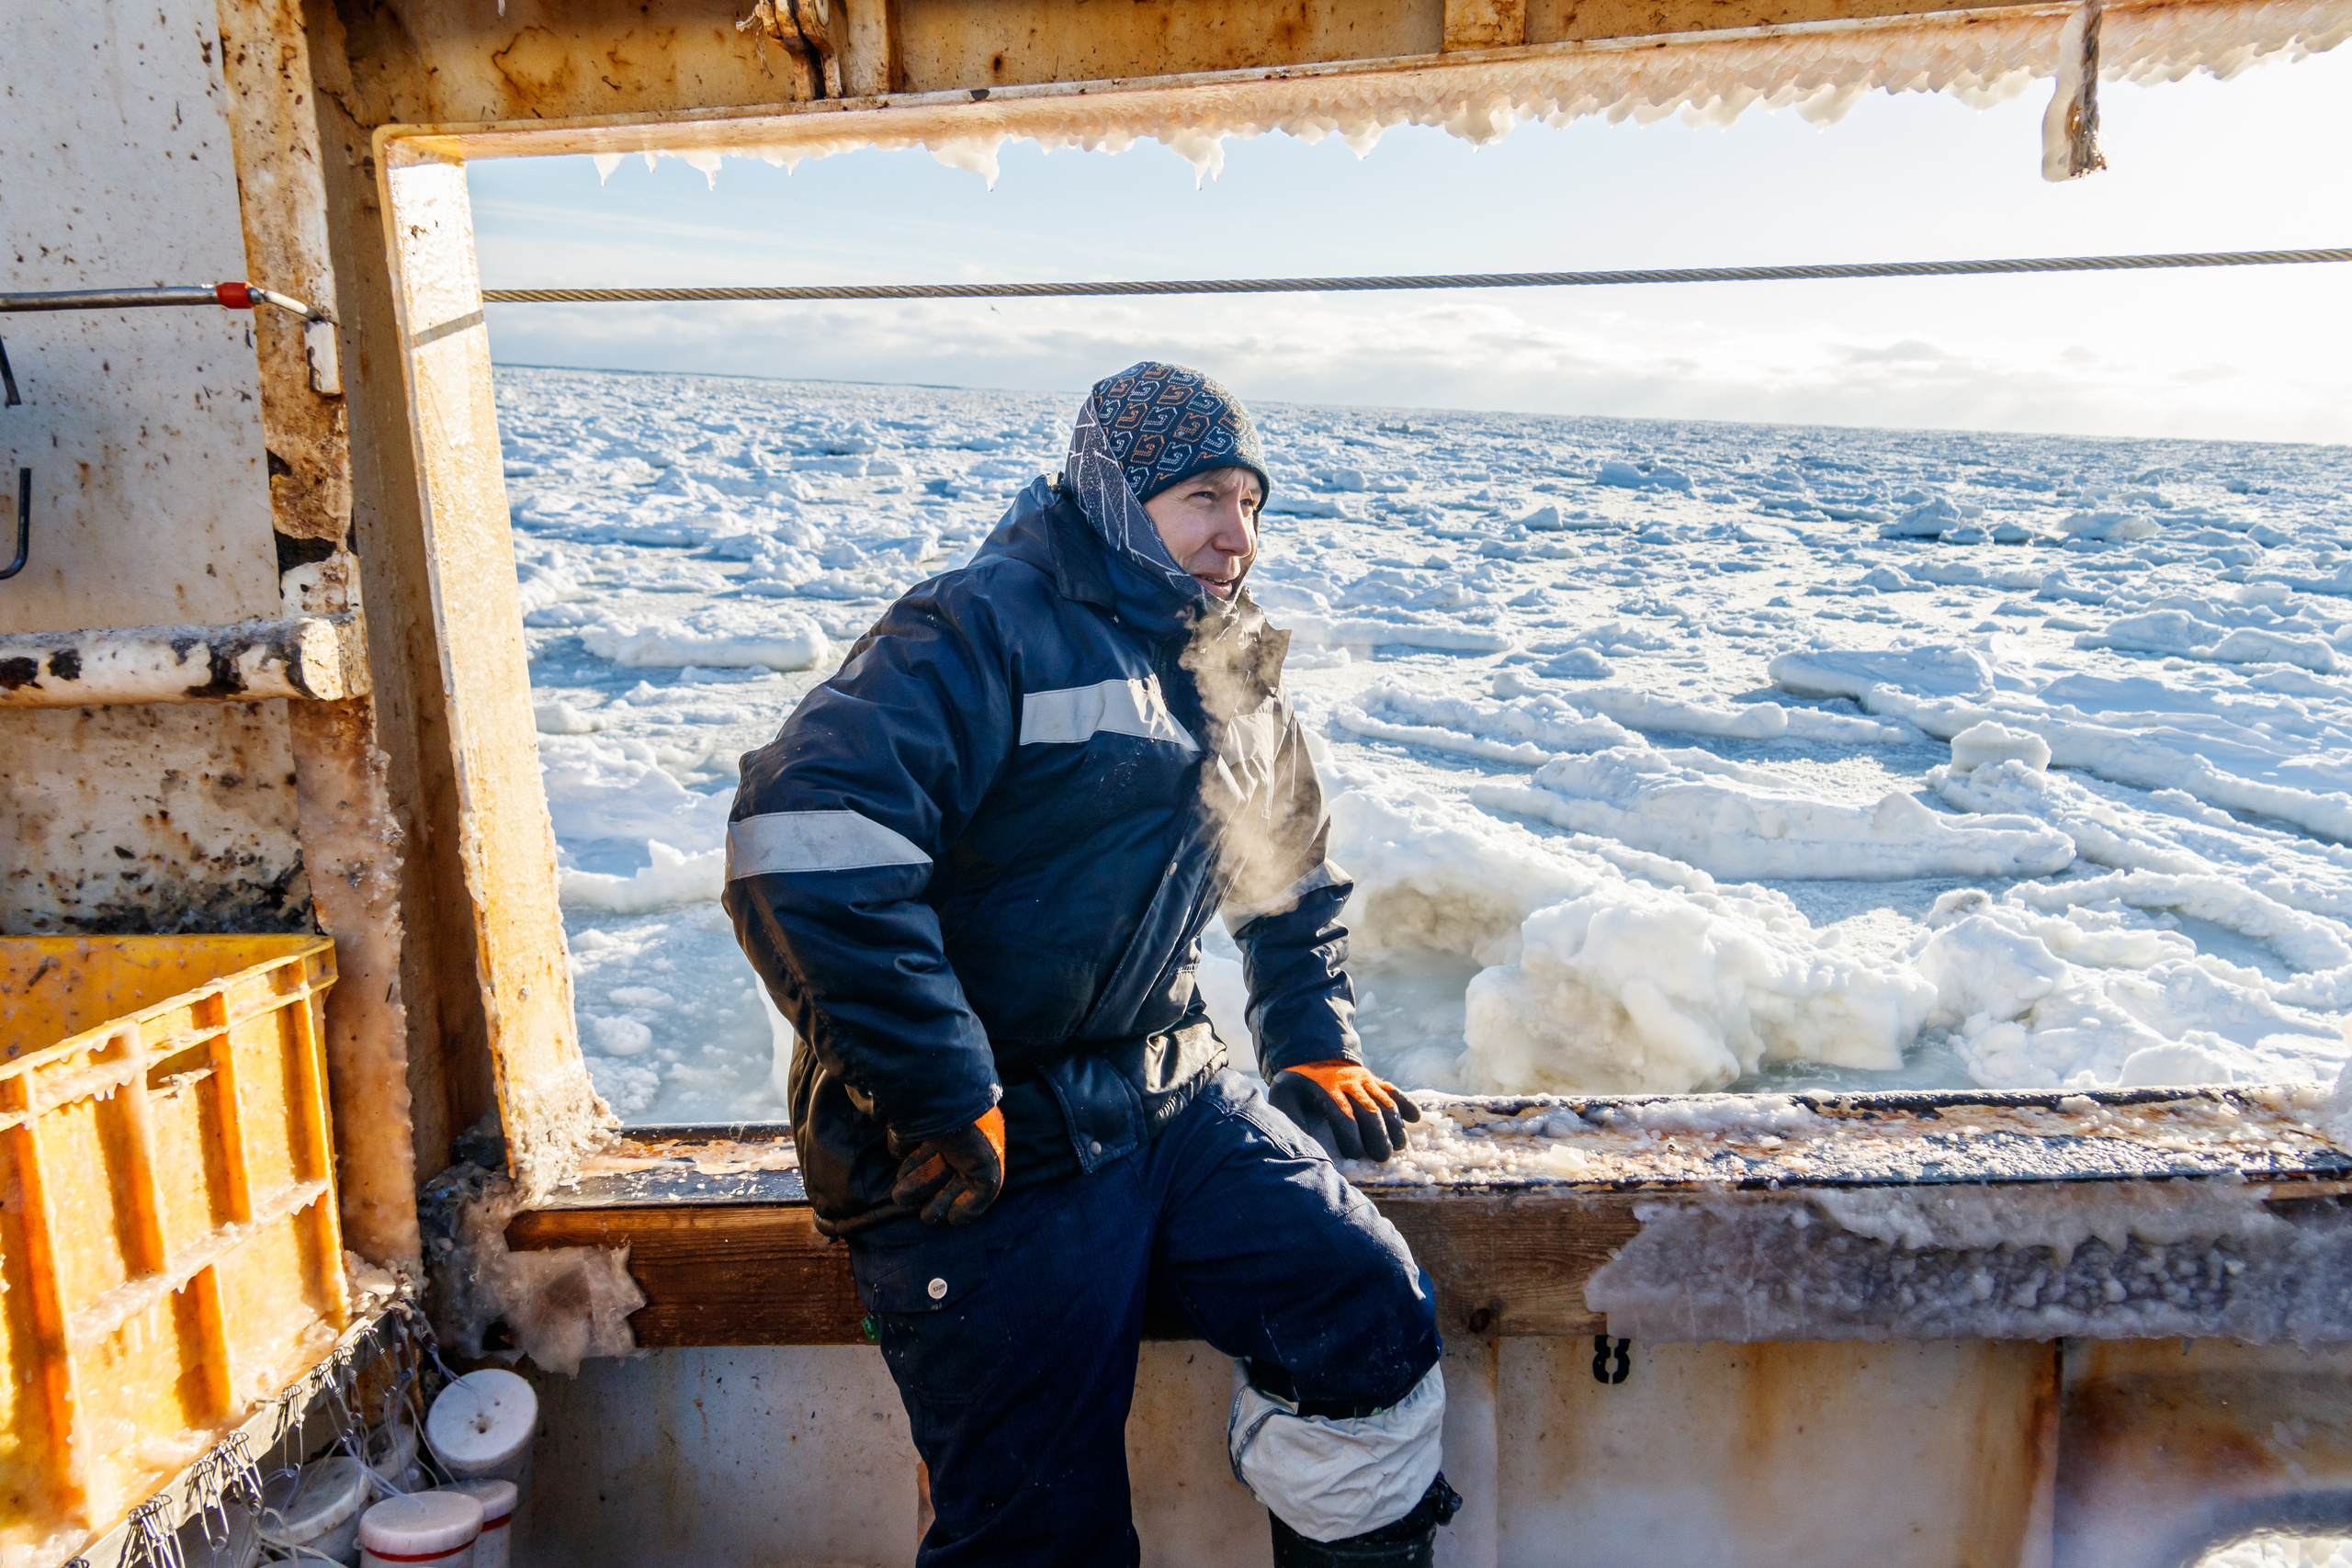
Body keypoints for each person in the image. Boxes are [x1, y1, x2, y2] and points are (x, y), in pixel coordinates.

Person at [723, 362, 1458, 1567]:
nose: (1237, 537)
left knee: (1365, 1318)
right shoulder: (979, 626)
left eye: (1252, 503)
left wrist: (1316, 1041)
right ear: (1121, 497)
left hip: (1169, 1106)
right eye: (1204, 499)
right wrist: (939, 1088)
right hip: (983, 1149)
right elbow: (804, 845)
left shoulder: (1228, 669)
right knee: (1039, 1534)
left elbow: (1288, 877)